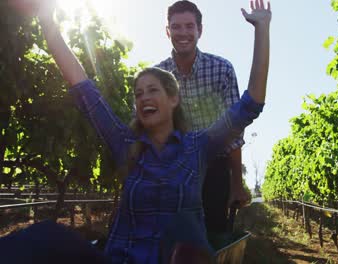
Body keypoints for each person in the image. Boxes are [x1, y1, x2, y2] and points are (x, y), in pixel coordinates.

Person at [4, 0, 271, 263]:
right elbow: (84, 88)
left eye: (153, 90)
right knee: (45, 235)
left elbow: (250, 105)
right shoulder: (125, 143)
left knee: (184, 225)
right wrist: (47, 21)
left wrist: (262, 29)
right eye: (139, 93)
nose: (144, 97)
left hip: (174, 254)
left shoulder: (197, 147)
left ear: (173, 99)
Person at [156, 0, 249, 235]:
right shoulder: (158, 77)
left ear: (200, 30)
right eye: (176, 27)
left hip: (215, 168)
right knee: (175, 239)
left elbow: (234, 132)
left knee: (213, 232)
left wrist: (236, 184)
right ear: (168, 32)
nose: (183, 33)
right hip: (175, 171)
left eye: (189, 26)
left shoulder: (221, 69)